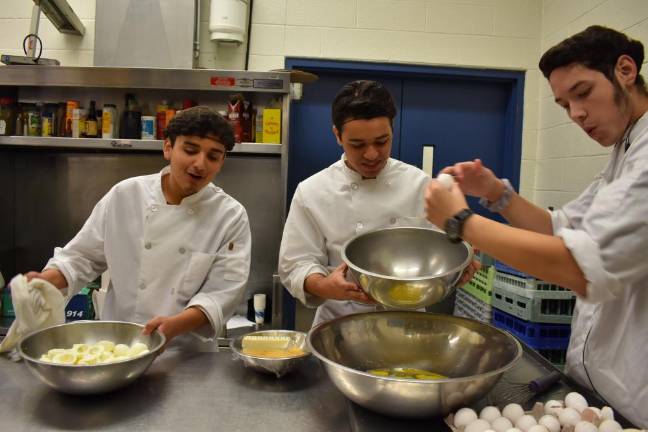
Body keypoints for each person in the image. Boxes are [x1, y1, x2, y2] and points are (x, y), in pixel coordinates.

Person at [424, 26, 648, 427]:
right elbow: (560, 228)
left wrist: (461, 221)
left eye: (582, 93)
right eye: (564, 104)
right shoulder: (625, 152)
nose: (576, 114)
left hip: (637, 393)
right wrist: (497, 194)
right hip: (603, 391)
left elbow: (581, 268)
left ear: (625, 70)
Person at [26, 106, 251, 351]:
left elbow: (221, 294)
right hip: (116, 347)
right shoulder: (126, 195)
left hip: (185, 354)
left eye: (213, 156)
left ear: (221, 162)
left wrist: (175, 325)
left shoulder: (230, 215)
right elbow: (82, 257)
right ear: (168, 148)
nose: (200, 164)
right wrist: (45, 281)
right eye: (190, 150)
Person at [279, 80, 477, 327]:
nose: (372, 154)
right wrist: (325, 285)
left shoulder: (420, 184)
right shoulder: (313, 191)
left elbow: (448, 251)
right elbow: (295, 264)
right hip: (340, 325)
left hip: (409, 325)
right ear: (337, 135)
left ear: (392, 131)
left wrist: (461, 266)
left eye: (381, 141)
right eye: (358, 145)